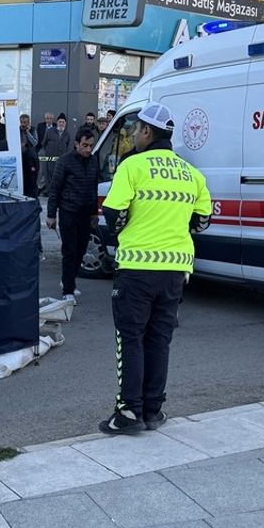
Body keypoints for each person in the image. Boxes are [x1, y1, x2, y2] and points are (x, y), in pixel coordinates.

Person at [98, 103, 211, 435]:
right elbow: (202, 221)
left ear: (148, 131)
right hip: (175, 271)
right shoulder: (191, 173)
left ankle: (128, 413)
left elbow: (113, 214)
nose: (133, 134)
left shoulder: (132, 167)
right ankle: (153, 410)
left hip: (136, 268)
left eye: (136, 129)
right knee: (159, 340)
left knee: (130, 339)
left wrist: (130, 228)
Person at [46, 127, 99, 300]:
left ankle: (68, 280)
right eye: (85, 145)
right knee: (69, 251)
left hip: (85, 214)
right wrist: (51, 214)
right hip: (68, 212)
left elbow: (93, 188)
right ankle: (68, 291)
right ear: (77, 143)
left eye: (91, 145)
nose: (88, 149)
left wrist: (94, 213)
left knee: (81, 249)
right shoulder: (65, 161)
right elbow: (55, 189)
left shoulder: (93, 161)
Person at [19, 114, 40, 198]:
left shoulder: (33, 129)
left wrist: (27, 132)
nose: (23, 124)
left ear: (28, 122)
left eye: (25, 122)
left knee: (32, 178)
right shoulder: (17, 130)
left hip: (31, 158)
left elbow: (35, 143)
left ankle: (32, 195)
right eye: (22, 122)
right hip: (21, 157)